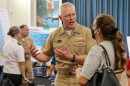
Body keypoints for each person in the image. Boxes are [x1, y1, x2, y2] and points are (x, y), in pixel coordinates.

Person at [30, 2, 96, 86]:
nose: (72, 18)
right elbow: (46, 56)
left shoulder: (86, 32)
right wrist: (35, 55)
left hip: (80, 77)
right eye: (67, 16)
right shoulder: (54, 35)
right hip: (61, 79)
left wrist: (72, 57)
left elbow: (92, 58)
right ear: (60, 18)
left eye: (73, 14)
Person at [73, 14, 128, 86]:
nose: (92, 29)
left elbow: (82, 80)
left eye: (93, 26)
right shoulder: (119, 47)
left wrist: (78, 71)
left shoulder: (97, 50)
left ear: (98, 31)